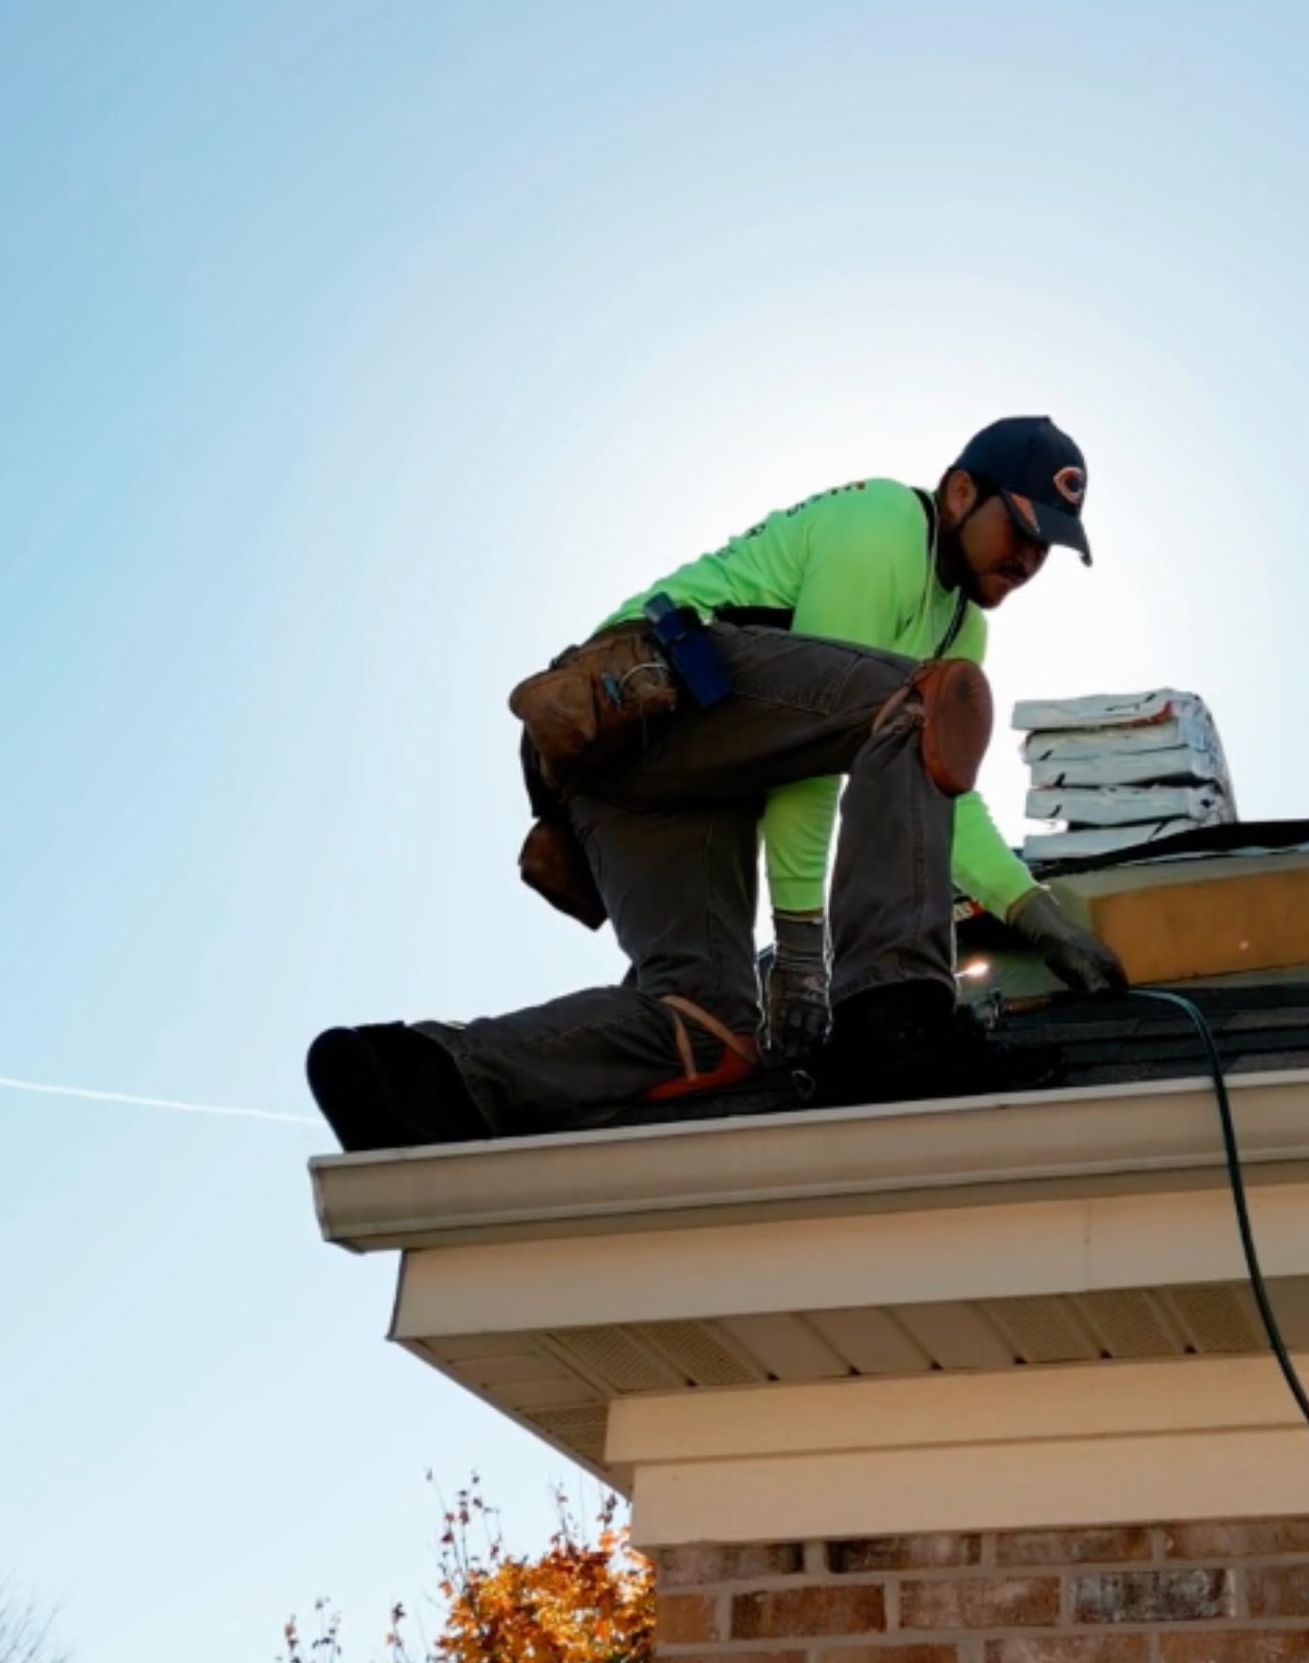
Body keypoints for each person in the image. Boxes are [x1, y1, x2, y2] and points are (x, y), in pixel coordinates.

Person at [307, 417, 1129, 1151]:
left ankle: (429, 1074)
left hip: (656, 776)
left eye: (1048, 544)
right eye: (1021, 527)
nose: (1030, 557)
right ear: (958, 493)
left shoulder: (960, 628)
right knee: (922, 700)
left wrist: (1034, 912)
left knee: (711, 1030)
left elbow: (940, 783)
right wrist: (804, 956)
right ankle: (896, 1017)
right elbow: (813, 756)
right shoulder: (884, 525)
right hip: (639, 701)